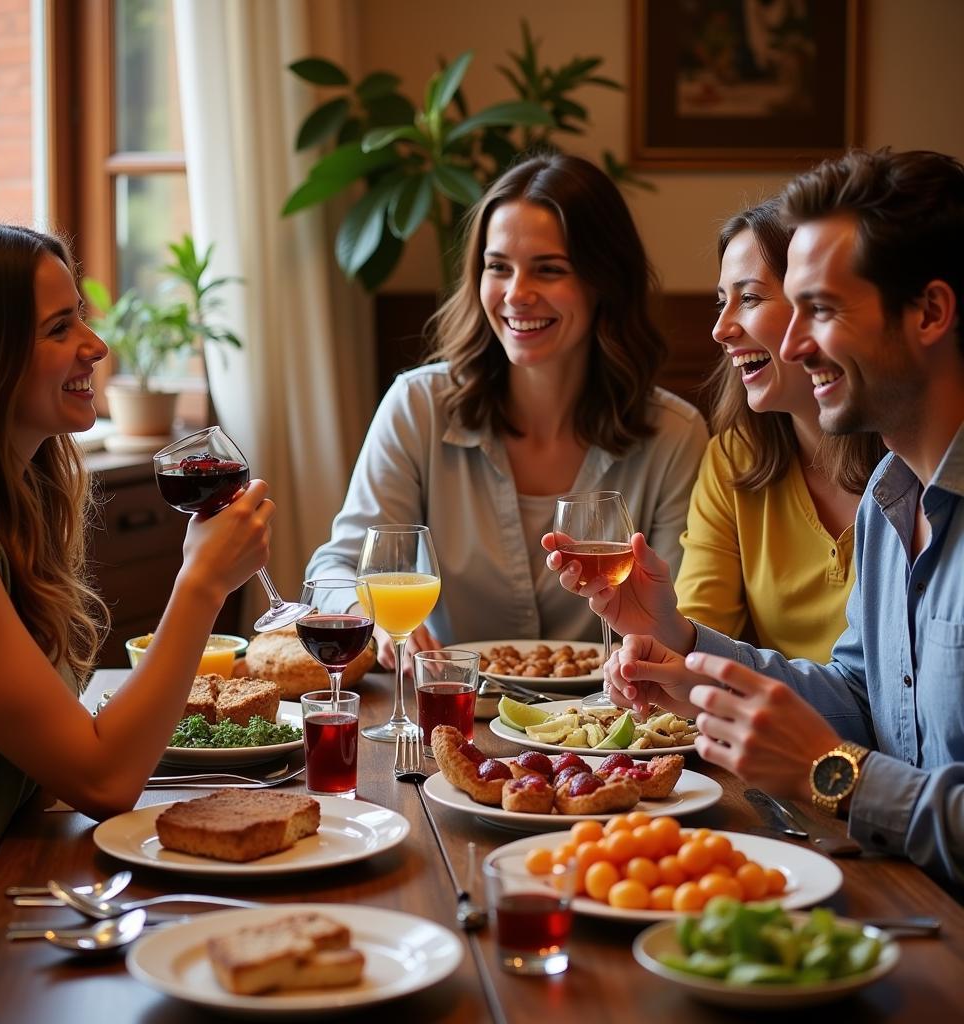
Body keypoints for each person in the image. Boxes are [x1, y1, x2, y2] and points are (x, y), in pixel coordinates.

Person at [605, 149, 964, 887]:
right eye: (791, 308)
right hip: (900, 901)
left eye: (822, 310)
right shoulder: (889, 504)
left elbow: (845, 757)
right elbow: (865, 700)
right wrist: (689, 659)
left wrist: (837, 776)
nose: (793, 344)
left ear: (930, 312)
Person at [0, 220, 275, 930]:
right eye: (60, 327)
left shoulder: (11, 499)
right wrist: (202, 585)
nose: (96, 346)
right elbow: (104, 780)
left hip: (20, 890)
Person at [306, 153, 708, 668]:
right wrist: (375, 616)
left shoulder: (674, 436)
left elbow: (684, 610)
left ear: (604, 281)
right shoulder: (417, 407)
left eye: (549, 269)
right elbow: (337, 567)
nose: (517, 294)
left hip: (603, 725)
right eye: (498, 267)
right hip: (450, 713)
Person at [673, 198, 885, 660]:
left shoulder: (913, 459)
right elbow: (698, 640)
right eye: (721, 301)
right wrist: (657, 625)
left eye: (748, 298)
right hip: (779, 726)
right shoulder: (734, 458)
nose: (720, 329)